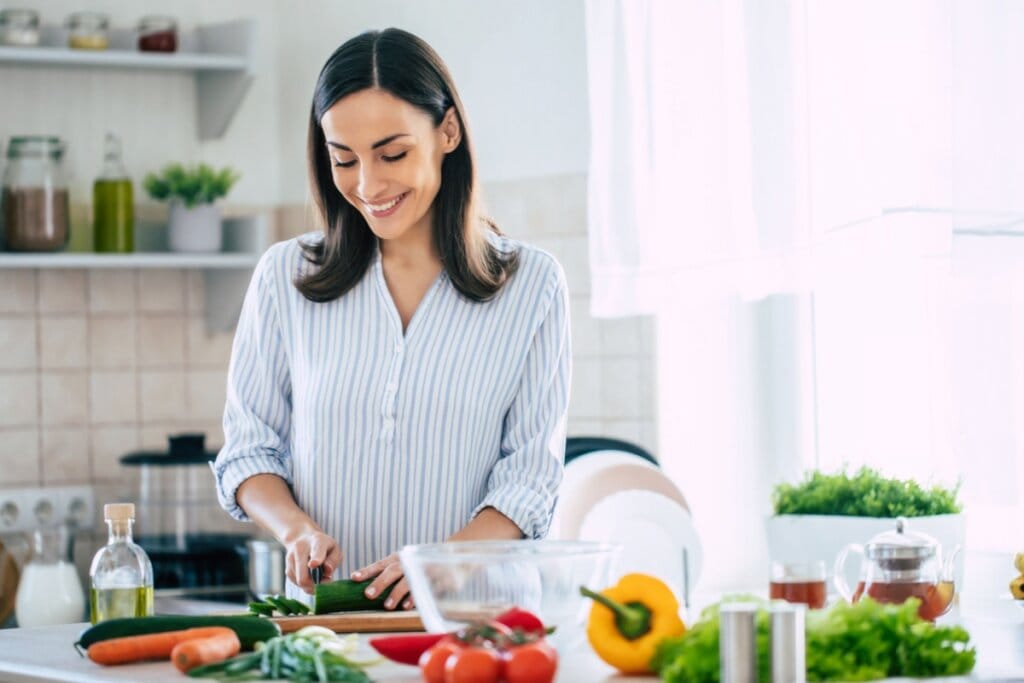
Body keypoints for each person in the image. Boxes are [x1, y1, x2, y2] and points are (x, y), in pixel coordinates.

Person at [213, 28, 571, 610]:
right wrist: (295, 529)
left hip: (477, 628)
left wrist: (439, 565)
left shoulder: (532, 285)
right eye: (344, 160)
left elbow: (531, 477)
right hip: (327, 631)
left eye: (392, 153)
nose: (368, 185)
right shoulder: (285, 277)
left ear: (447, 131)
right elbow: (250, 450)